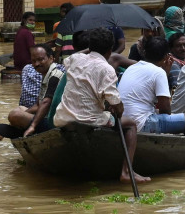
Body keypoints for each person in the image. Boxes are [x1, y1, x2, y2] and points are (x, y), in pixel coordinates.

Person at [53, 27, 149, 184]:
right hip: (89, 121)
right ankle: (126, 171)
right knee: (130, 124)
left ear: (89, 47)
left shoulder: (74, 59)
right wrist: (116, 108)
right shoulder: (107, 69)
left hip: (63, 117)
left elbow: (75, 57)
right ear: (110, 50)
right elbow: (117, 107)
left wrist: (90, 48)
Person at [118, 37, 185, 136]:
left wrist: (165, 73)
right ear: (167, 56)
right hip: (141, 124)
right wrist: (164, 73)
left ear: (144, 52)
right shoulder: (158, 72)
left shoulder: (132, 67)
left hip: (122, 120)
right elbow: (165, 110)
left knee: (159, 112)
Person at [0, 45, 65, 137]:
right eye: (34, 61)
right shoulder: (45, 74)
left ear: (51, 58)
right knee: (20, 109)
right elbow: (38, 104)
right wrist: (23, 114)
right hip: (48, 116)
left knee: (14, 115)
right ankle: (21, 128)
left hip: (55, 121)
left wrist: (32, 125)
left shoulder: (55, 75)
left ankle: (24, 130)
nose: (36, 64)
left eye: (41, 60)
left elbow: (46, 102)